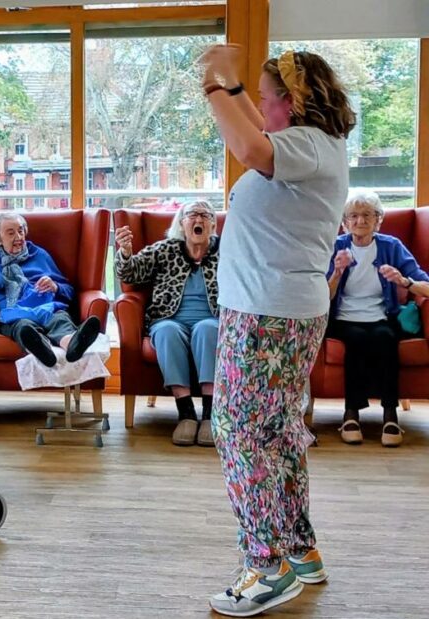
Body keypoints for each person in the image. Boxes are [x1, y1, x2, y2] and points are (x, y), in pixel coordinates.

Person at [200, 45, 355, 616]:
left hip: (268, 315)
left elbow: (245, 144)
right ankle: (299, 549)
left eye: (266, 98)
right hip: (278, 310)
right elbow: (253, 131)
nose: (258, 106)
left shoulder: (306, 146)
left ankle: (266, 566)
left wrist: (213, 84)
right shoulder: (310, 146)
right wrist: (235, 90)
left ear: (292, 102)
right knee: (277, 433)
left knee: (239, 434)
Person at [327, 190, 428, 447]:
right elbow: (322, 296)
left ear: (378, 220)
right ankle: (351, 413)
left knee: (385, 338)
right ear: (344, 222)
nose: (360, 221)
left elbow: (426, 286)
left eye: (367, 215)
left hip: (381, 316)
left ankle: (390, 414)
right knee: (357, 339)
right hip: (343, 317)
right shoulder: (336, 246)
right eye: (354, 216)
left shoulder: (391, 246)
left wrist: (404, 281)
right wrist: (337, 272)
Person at [114, 201, 220, 447]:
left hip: (213, 318)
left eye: (206, 215)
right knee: (166, 332)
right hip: (169, 318)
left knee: (207, 330)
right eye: (192, 215)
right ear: (181, 224)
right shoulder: (166, 250)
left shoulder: (226, 250)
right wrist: (126, 251)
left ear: (213, 224)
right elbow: (130, 274)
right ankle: (185, 413)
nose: (199, 220)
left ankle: (210, 415)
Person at [0, 212, 101, 368]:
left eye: (21, 231)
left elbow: (69, 291)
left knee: (59, 319)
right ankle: (43, 350)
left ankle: (72, 344)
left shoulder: (39, 254)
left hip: (47, 307)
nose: (19, 236)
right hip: (14, 314)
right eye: (11, 233)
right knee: (24, 327)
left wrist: (55, 287)